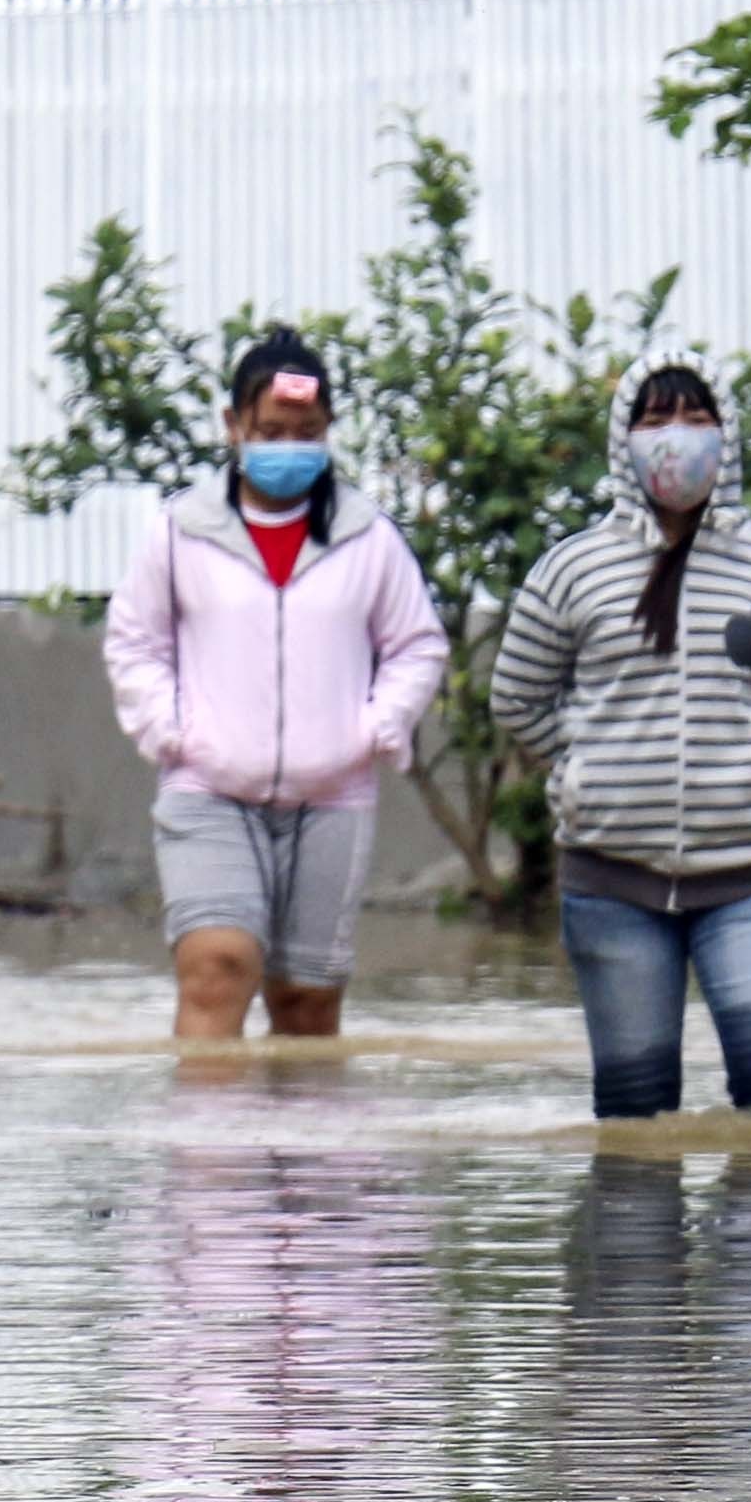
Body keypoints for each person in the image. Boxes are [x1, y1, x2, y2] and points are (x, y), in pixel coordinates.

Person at [492, 363, 751, 1120]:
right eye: (656, 421)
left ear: (727, 436)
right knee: (635, 1110)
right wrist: (585, 764)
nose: (677, 440)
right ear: (623, 441)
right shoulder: (571, 568)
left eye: (696, 419)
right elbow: (518, 695)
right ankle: (636, 1244)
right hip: (611, 881)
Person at [104, 329, 447, 1043]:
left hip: (334, 796)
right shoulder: (181, 532)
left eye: (306, 433)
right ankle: (211, 1152)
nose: (287, 447)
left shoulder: (367, 536)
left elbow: (415, 644)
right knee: (216, 968)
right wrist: (169, 731)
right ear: (233, 426)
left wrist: (377, 728)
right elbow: (136, 642)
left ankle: (300, 1151)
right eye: (270, 431)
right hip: (208, 789)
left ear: (328, 434)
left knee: (305, 1003)